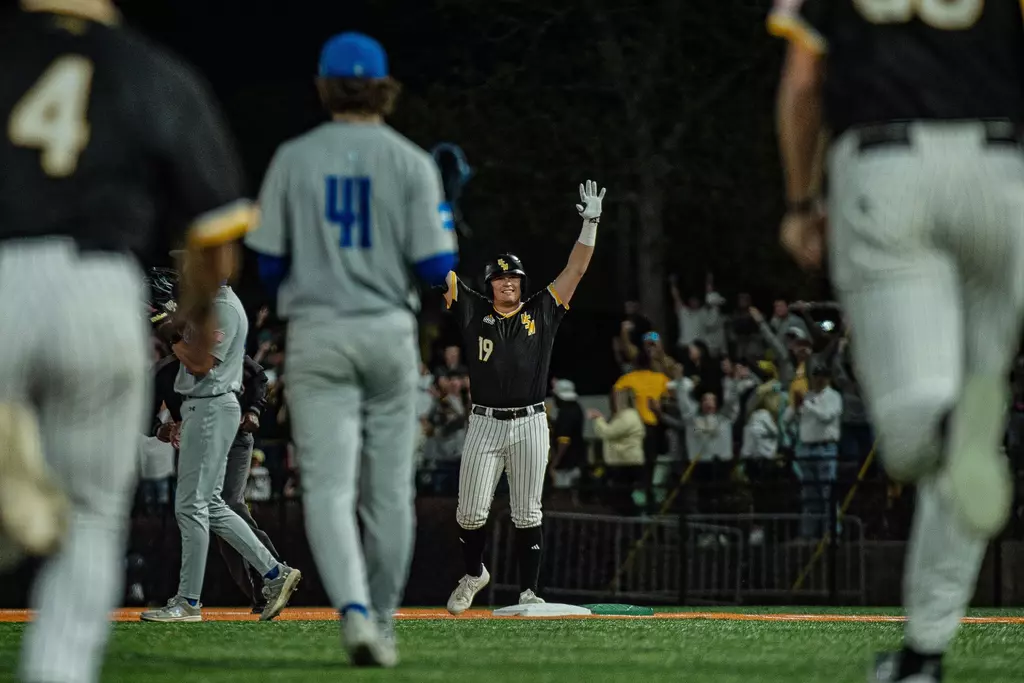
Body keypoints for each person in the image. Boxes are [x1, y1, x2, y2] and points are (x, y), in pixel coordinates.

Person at [0, 1, 261, 681]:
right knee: (91, 517)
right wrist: (193, 314)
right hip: (99, 288)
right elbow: (216, 232)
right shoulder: (151, 69)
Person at [769, 0, 1024, 680]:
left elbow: (802, 79)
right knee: (969, 434)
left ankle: (950, 428)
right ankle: (924, 652)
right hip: (1002, 170)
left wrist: (799, 201)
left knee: (918, 428)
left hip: (889, 168)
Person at [244, 32, 457, 667]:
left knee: (329, 490)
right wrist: (448, 210)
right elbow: (436, 266)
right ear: (385, 87)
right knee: (389, 493)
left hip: (318, 329)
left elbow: (268, 265)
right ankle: (382, 621)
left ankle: (356, 612)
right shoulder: (411, 161)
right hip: (389, 328)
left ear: (323, 86)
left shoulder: (293, 157)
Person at [442, 180, 605, 615]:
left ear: (521, 281)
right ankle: (474, 573)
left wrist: (590, 223)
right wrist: (435, 216)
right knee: (469, 513)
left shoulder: (541, 310)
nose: (507, 283)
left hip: (531, 420)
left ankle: (529, 591)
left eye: (513, 276)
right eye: (500, 278)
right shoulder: (474, 309)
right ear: (490, 284)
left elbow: (576, 270)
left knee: (528, 511)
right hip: (484, 421)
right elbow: (441, 272)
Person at [141, 272, 301, 623]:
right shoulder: (211, 306)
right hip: (205, 406)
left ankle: (189, 601)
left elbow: (199, 363)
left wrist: (166, 325)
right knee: (211, 505)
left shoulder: (223, 307)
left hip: (211, 405)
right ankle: (274, 572)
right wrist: (171, 320)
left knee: (191, 506)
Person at [150, 326, 283, 615]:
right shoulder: (163, 372)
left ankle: (272, 575)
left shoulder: (216, 356)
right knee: (210, 510)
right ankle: (267, 582)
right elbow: (148, 419)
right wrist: (165, 428)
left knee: (224, 505)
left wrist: (254, 410)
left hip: (233, 435)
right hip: (194, 440)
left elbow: (258, 376)